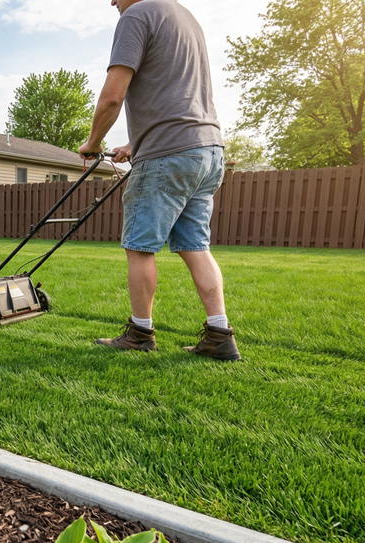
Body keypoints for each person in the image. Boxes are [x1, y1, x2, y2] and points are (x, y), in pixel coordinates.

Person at [79, 0, 240, 361]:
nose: (112, 2)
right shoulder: (185, 18)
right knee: (196, 245)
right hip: (207, 149)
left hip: (169, 152)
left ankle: (140, 334)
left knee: (139, 247)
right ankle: (219, 335)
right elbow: (176, 95)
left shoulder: (137, 15)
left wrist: (93, 142)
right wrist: (134, 145)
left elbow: (112, 96)